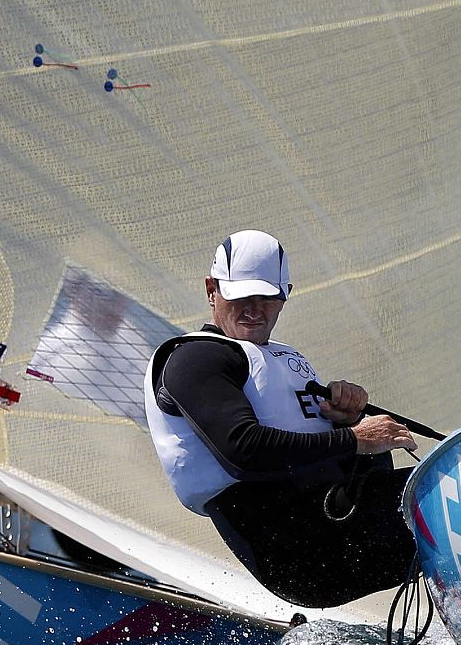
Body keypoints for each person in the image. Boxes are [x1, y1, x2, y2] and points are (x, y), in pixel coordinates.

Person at [144, 230, 417, 608]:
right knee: (443, 489)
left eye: (267, 297)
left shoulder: (283, 359)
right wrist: (355, 438)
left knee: (433, 502)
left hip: (339, 526)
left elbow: (357, 469)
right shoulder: (196, 358)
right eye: (241, 296)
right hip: (298, 551)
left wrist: (345, 421)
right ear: (212, 290)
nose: (254, 309)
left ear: (285, 294)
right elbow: (243, 451)